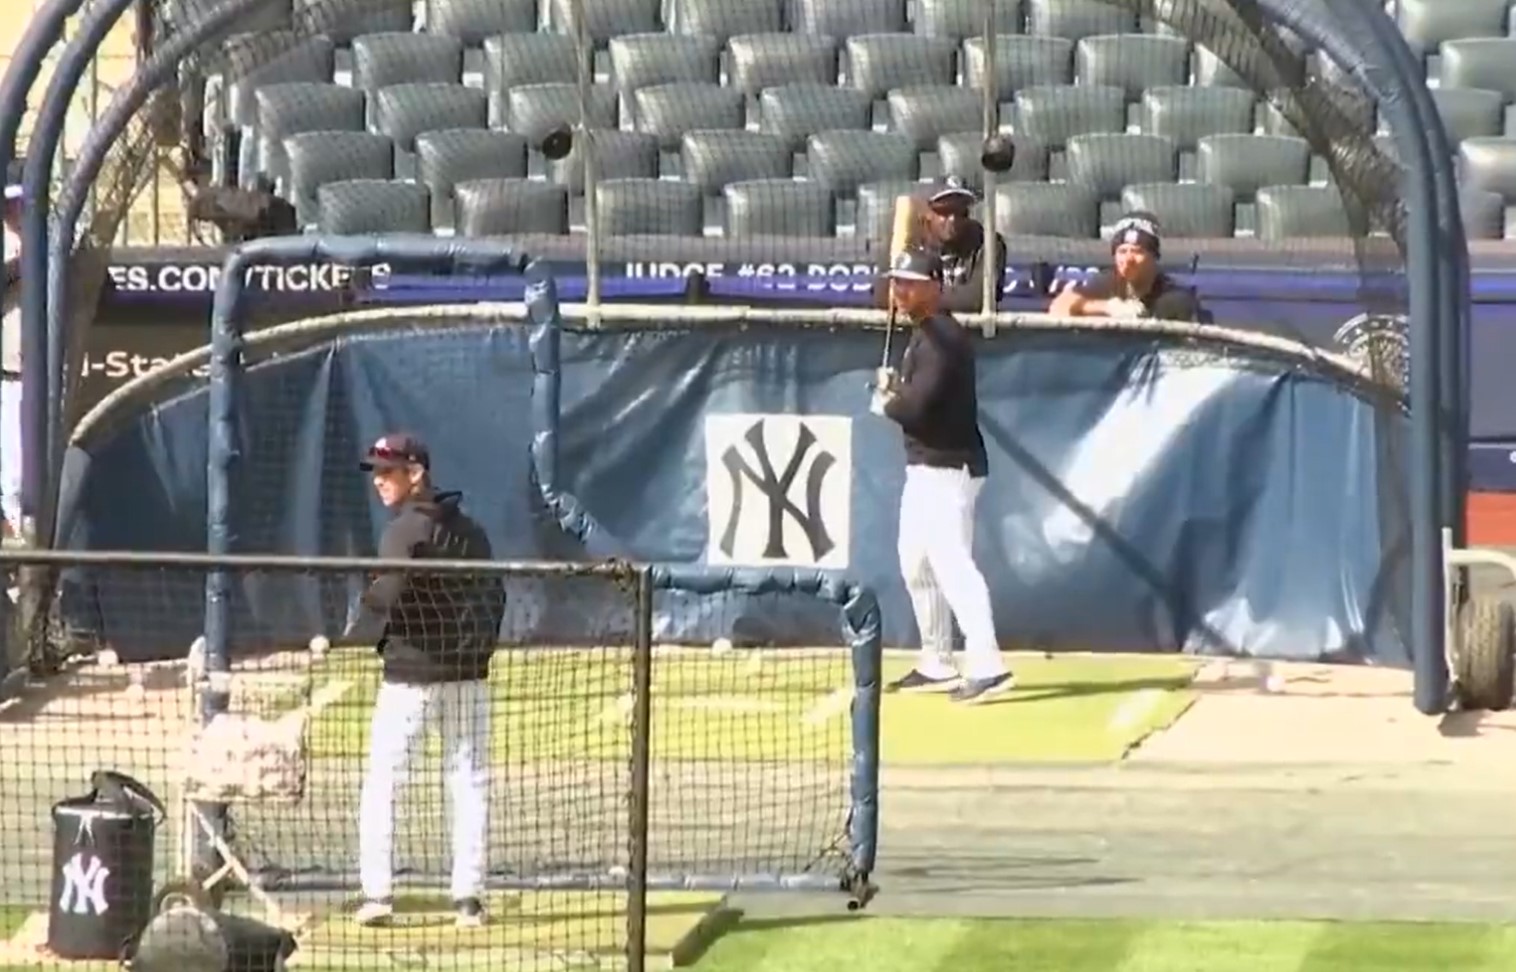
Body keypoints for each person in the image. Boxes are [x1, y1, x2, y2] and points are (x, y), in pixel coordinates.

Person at [351, 433, 505, 929]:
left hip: (411, 680)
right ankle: (468, 900)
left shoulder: (402, 532)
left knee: (384, 785)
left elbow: (386, 596)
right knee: (469, 783)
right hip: (467, 678)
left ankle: (377, 896)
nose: (378, 481)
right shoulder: (473, 532)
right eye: (375, 471)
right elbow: (494, 599)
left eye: (388, 472)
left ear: (415, 474)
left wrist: (364, 606)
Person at [871, 247, 1014, 704]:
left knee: (953, 564)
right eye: (896, 283)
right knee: (915, 562)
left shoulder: (943, 338)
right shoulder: (925, 334)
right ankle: (937, 662)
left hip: (950, 468)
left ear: (935, 287)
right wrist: (896, 390)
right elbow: (916, 400)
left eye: (909, 283)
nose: (900, 291)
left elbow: (918, 407)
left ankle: (988, 665)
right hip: (925, 468)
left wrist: (888, 400)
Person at [873, 176, 1008, 314]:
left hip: (969, 332)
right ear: (927, 212)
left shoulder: (987, 243)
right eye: (944, 211)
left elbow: (976, 299)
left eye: (961, 213)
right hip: (915, 332)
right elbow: (882, 295)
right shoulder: (905, 237)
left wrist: (917, 296)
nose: (953, 219)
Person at [1048, 211, 1204, 322]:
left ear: (1153, 257)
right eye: (1122, 251)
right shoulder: (1107, 283)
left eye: (1137, 252)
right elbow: (1058, 307)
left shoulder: (1174, 298)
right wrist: (1106, 307)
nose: (1128, 260)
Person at [2, 180, 22, 540]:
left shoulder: (53, 238)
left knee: (22, 481)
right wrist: (18, 264)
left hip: (31, 377)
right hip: (4, 375)